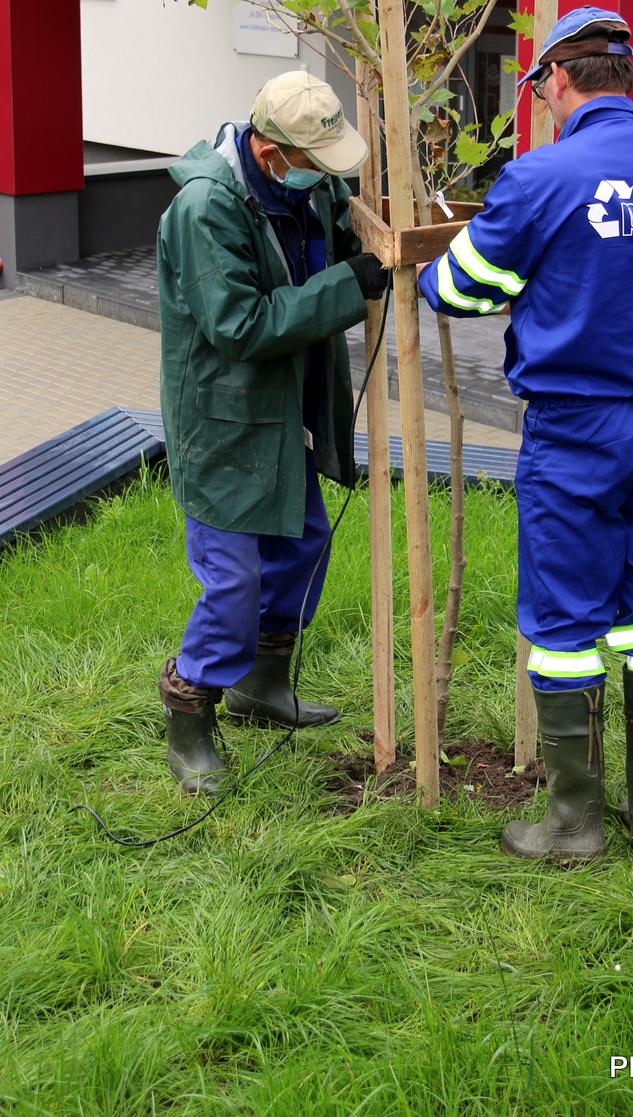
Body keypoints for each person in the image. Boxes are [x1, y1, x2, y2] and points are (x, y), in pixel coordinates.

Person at [418, 7, 633, 862]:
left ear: (557, 81)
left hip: (575, 427)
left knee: (564, 620)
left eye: (539, 87)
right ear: (624, 78)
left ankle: (571, 825)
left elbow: (458, 290)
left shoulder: (539, 177)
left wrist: (433, 262)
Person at [156, 69, 388, 793]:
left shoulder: (304, 187)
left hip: (285, 406)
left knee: (303, 541)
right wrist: (350, 284)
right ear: (269, 154)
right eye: (313, 165)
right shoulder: (205, 210)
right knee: (234, 578)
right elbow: (240, 326)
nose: (323, 181)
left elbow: (341, 218)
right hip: (223, 417)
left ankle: (262, 684)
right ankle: (189, 712)